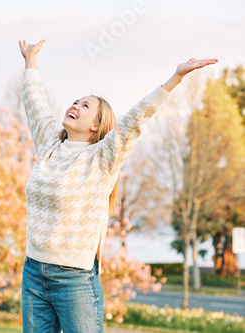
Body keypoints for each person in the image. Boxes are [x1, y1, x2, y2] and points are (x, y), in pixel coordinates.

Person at [18, 39, 217, 333]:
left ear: (96, 126)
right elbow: (34, 102)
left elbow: (135, 119)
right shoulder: (50, 144)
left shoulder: (102, 158)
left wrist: (175, 78)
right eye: (75, 101)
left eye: (85, 106)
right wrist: (30, 60)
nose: (75, 105)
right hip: (33, 271)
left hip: (74, 281)